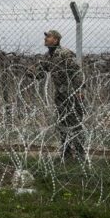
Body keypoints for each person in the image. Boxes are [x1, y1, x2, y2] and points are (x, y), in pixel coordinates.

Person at [28, 29, 86, 160]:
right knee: (62, 123)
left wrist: (80, 90)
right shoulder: (47, 57)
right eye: (46, 37)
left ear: (56, 40)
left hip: (72, 92)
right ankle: (66, 153)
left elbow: (76, 72)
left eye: (48, 37)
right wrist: (30, 72)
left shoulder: (65, 53)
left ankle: (80, 154)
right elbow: (40, 74)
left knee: (75, 123)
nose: (45, 39)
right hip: (60, 95)